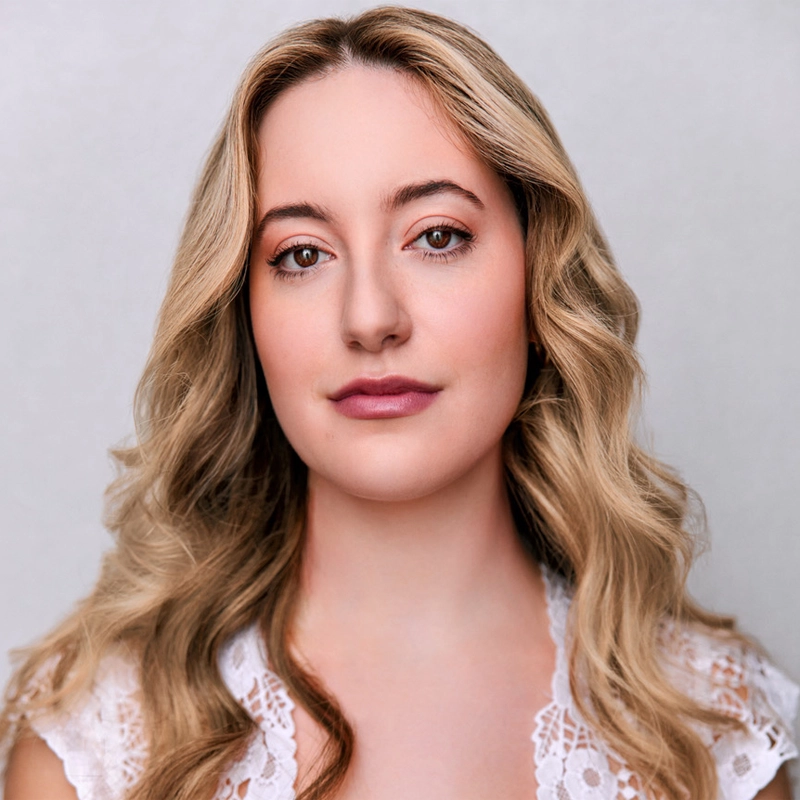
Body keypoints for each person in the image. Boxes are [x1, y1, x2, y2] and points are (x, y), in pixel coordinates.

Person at [1, 7, 796, 800]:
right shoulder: (98, 736)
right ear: (243, 313)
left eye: (437, 236)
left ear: (538, 274)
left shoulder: (710, 729)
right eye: (303, 254)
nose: (370, 317)